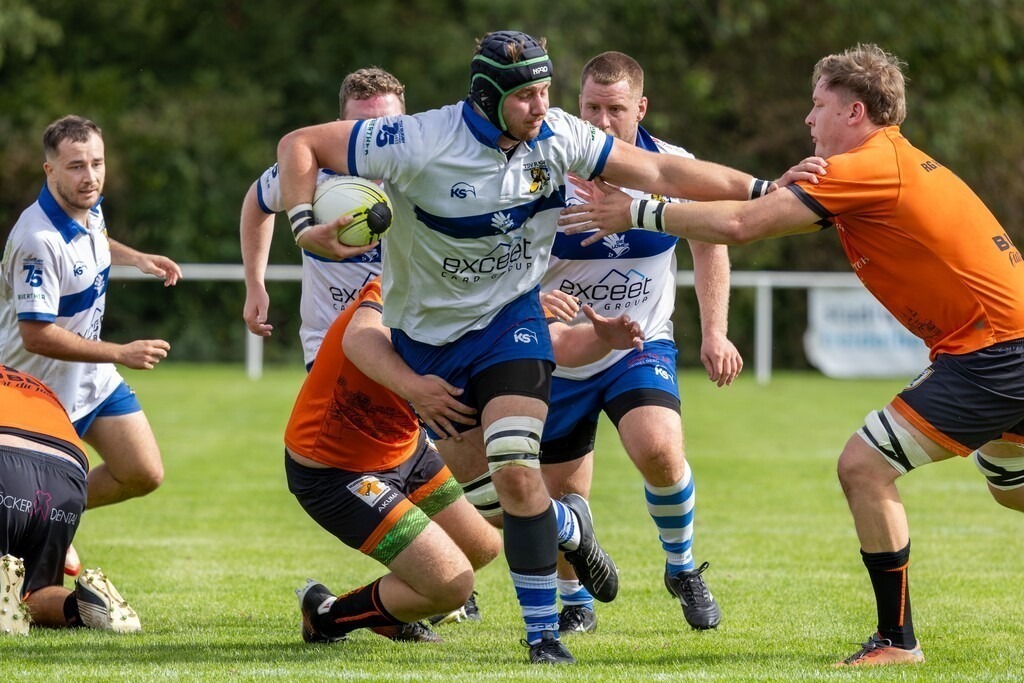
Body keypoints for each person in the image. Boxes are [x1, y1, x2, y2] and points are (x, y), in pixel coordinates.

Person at [276, 30, 810, 664]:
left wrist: (762, 189)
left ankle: (544, 638)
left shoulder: (559, 136)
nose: (542, 106)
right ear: (485, 96)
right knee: (498, 503)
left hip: (512, 327)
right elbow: (299, 143)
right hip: (430, 340)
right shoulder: (416, 140)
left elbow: (665, 172)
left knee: (516, 467)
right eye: (526, 94)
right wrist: (304, 225)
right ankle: (566, 525)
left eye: (546, 90)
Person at [560, 43, 1024, 667]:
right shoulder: (879, 164)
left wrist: (636, 211)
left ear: (854, 112)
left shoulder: (866, 165)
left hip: (995, 352)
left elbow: (741, 227)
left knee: (863, 466)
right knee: (1012, 491)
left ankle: (897, 641)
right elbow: (739, 206)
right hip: (997, 346)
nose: (808, 120)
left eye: (818, 105)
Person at [291, 278, 645, 646]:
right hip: (335, 470)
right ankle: (327, 616)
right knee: (452, 585)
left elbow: (556, 345)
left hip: (407, 454)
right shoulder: (402, 281)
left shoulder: (487, 298)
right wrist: (415, 389)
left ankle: (390, 610)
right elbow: (359, 336)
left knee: (482, 546)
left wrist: (600, 339)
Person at [539, 51, 743, 635]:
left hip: (640, 345)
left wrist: (714, 331)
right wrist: (532, 303)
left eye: (616, 110)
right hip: (561, 352)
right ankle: (573, 600)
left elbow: (710, 242)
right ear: (576, 106)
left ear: (641, 109)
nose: (602, 123)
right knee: (564, 494)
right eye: (591, 109)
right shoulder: (544, 173)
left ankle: (682, 569)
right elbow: (505, 257)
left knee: (658, 449)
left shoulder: (672, 168)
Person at [0, 115, 181, 516]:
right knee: (21, 512)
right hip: (35, 391)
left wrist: (137, 258)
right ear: (50, 170)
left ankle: (51, 514)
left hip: (91, 379)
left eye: (97, 163)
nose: (91, 177)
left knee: (142, 472)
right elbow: (36, 335)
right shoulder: (38, 241)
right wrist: (120, 353)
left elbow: (93, 238)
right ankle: (46, 521)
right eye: (77, 166)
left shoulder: (87, 205)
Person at [241, 68, 406, 369]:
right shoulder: (310, 171)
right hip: (329, 348)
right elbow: (257, 202)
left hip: (412, 346)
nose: (373, 137)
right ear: (338, 126)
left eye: (386, 124)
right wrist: (255, 283)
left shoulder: (424, 173)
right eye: (359, 126)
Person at [0, 364, 141, 635]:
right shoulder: (29, 381)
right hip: (68, 477)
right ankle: (79, 604)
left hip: (6, 463)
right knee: (34, 589)